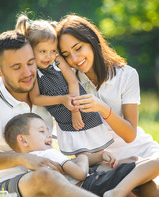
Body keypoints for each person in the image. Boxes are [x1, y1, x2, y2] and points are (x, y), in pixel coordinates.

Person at [0, 15, 159, 194]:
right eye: (65, 54)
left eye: (78, 49)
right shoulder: (70, 75)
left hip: (131, 146)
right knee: (143, 193)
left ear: (93, 41)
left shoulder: (125, 75)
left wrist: (102, 108)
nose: (75, 59)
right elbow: (27, 70)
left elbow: (130, 133)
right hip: (99, 155)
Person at [0, 29, 159, 197]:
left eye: (30, 63)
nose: (27, 73)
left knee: (123, 167)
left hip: (58, 182)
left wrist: (91, 158)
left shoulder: (44, 98)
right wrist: (23, 159)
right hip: (10, 194)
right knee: (45, 176)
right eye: (16, 67)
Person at [4, 112, 159, 197]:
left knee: (134, 168)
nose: (48, 135)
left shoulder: (32, 160)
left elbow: (69, 167)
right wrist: (82, 157)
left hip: (87, 189)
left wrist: (100, 155)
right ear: (23, 140)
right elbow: (79, 173)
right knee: (156, 163)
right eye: (41, 131)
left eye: (47, 131)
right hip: (91, 184)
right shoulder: (48, 154)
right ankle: (117, 193)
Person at [12, 15, 115, 156]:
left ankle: (103, 161)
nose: (48, 56)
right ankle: (89, 170)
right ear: (30, 49)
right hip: (63, 117)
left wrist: (75, 110)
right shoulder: (33, 71)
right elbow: (36, 98)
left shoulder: (58, 60)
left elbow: (73, 81)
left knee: (98, 147)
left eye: (53, 51)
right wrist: (62, 100)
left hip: (80, 107)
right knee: (81, 154)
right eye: (42, 51)